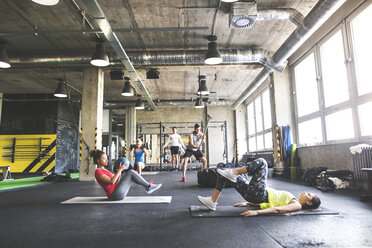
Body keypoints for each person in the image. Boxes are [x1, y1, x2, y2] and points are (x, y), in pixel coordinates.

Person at [197, 158, 321, 216]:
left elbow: (278, 210)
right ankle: (213, 201)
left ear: (309, 203)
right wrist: (248, 203)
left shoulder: (297, 205)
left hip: (259, 194)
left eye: (309, 195)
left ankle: (234, 172)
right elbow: (272, 203)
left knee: (262, 162)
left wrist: (256, 212)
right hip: (255, 196)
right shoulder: (293, 199)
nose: (305, 192)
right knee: (223, 172)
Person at [91, 150, 162, 201]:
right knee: (131, 172)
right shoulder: (98, 172)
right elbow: (112, 182)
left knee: (131, 173)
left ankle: (149, 186)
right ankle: (149, 186)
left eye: (106, 158)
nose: (106, 160)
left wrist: (119, 170)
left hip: (116, 192)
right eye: (104, 159)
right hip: (114, 195)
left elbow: (117, 180)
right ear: (97, 160)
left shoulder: (104, 170)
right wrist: (120, 170)